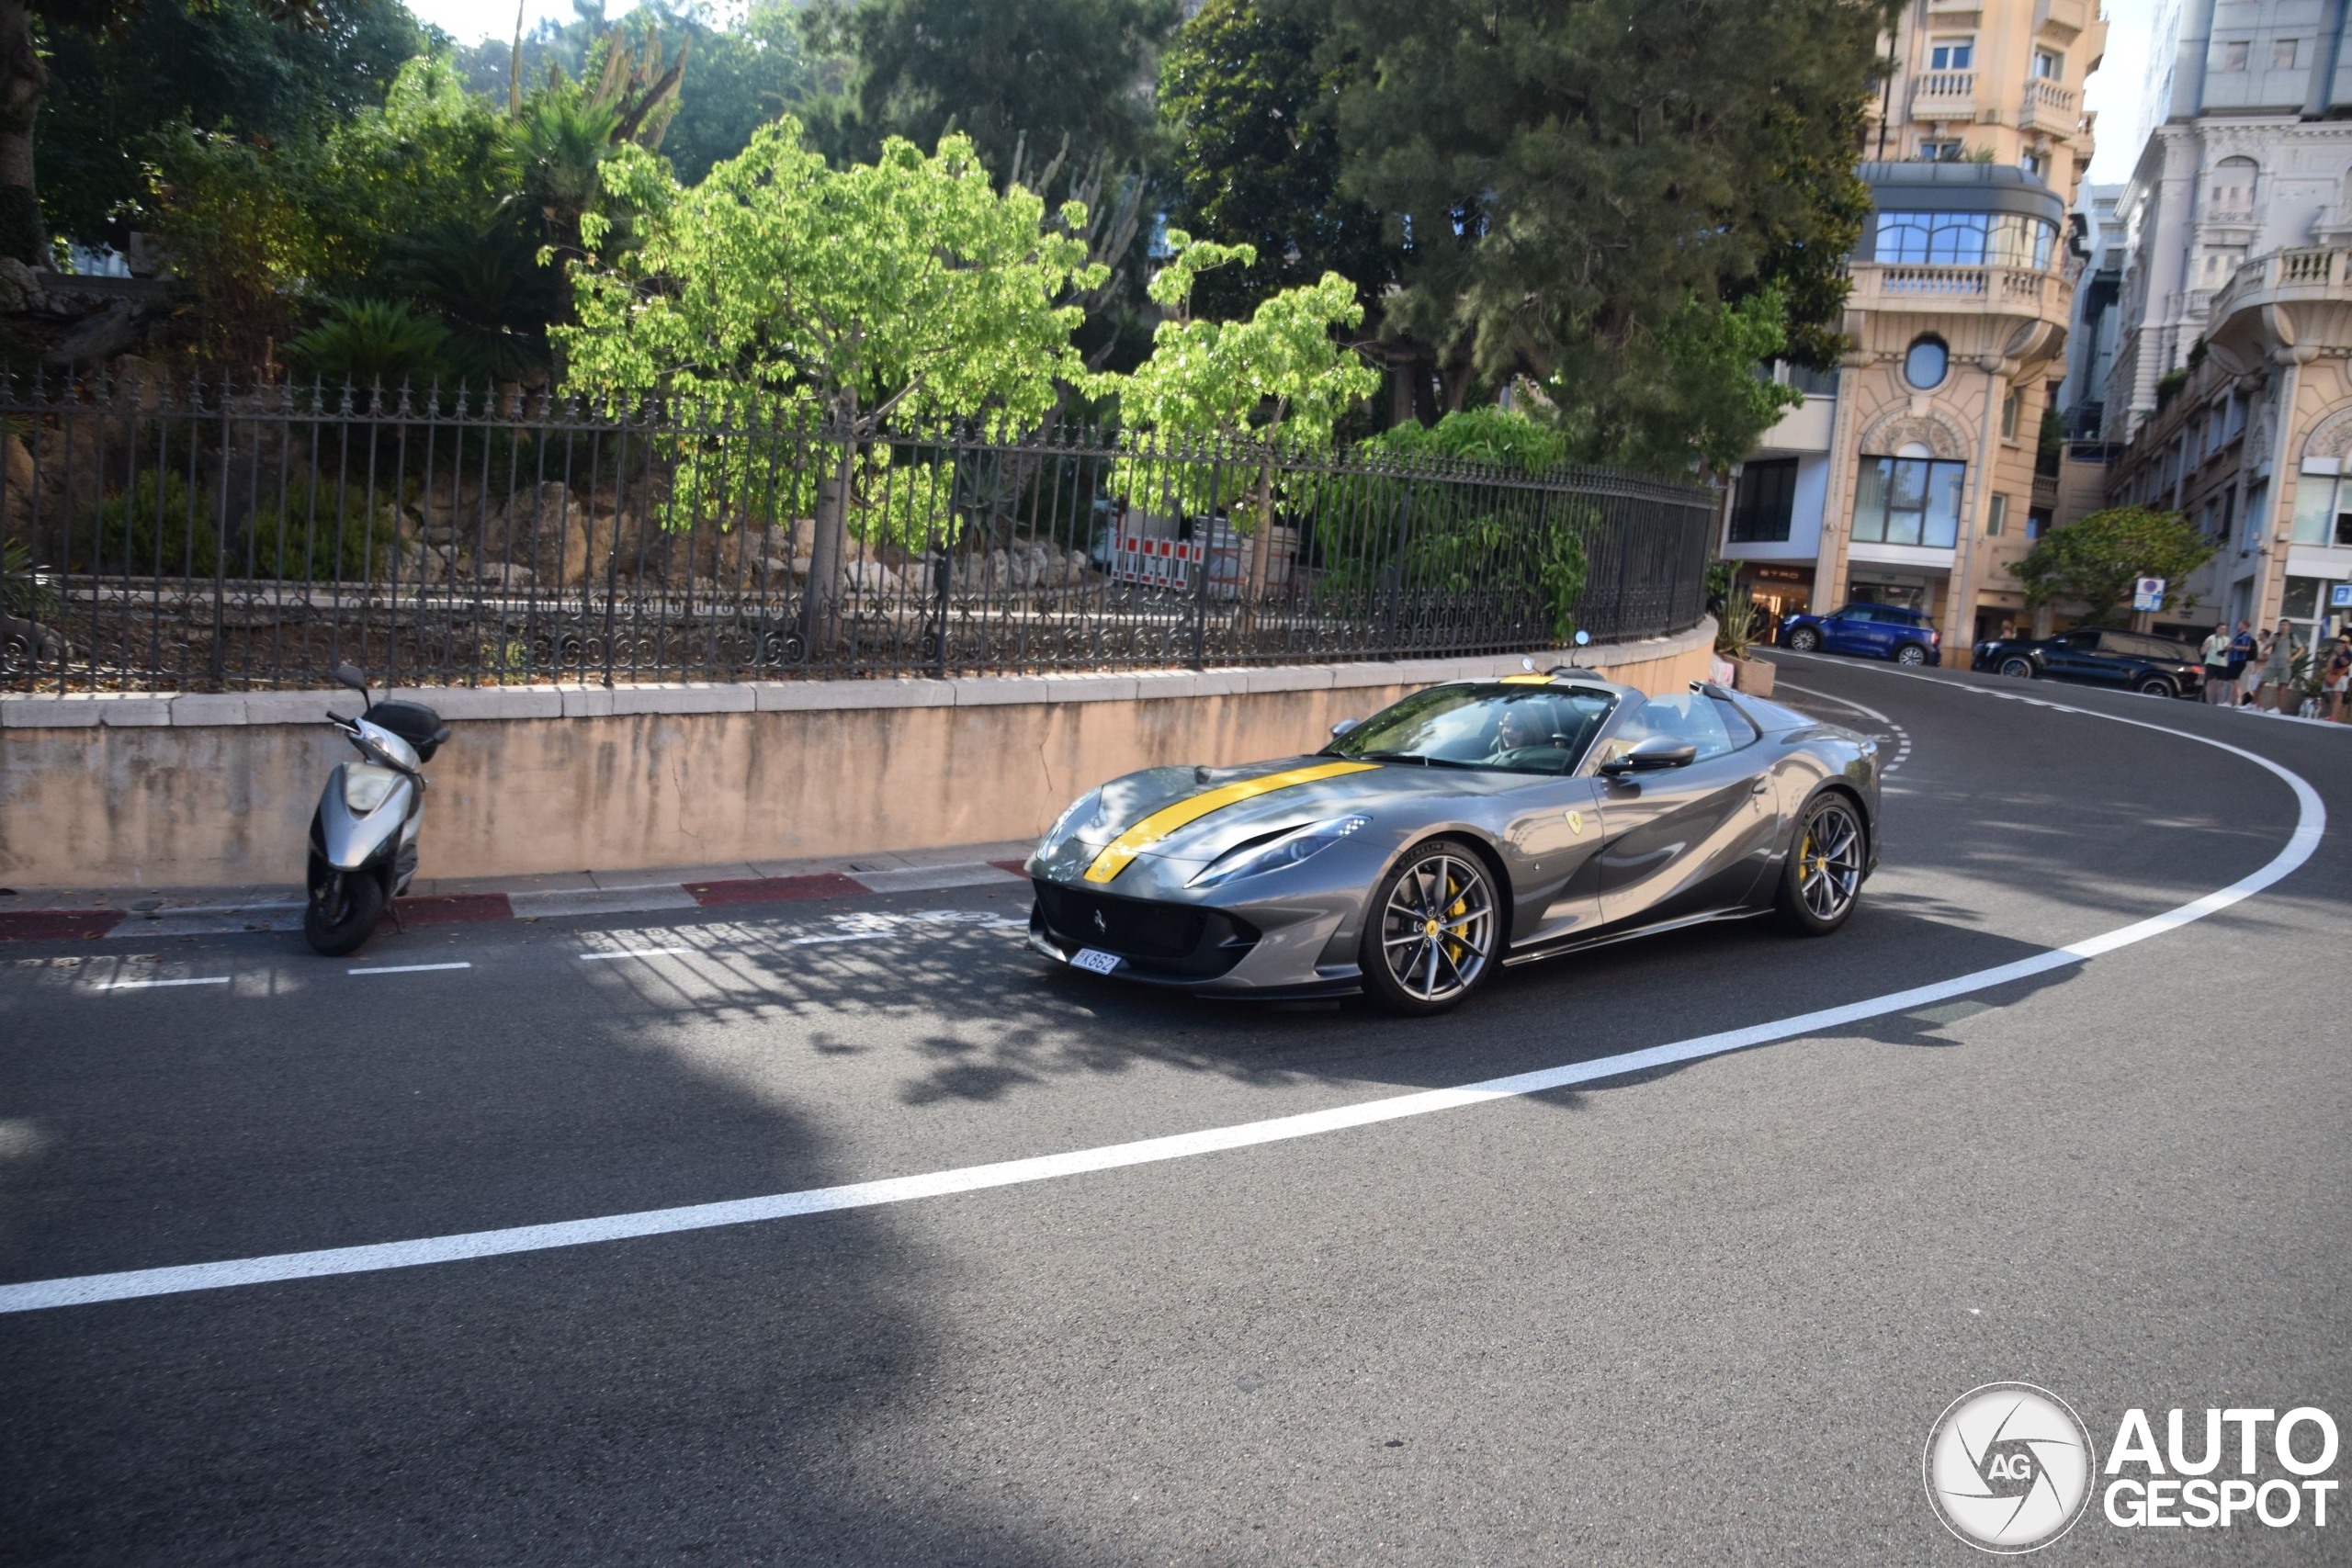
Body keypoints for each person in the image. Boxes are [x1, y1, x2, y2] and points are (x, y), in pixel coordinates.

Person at [2254, 619, 2293, 713]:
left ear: (2289, 626)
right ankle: (2253, 704)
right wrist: (2274, 641)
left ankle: (2278, 708)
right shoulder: (2275, 636)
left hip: (2284, 664)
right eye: (2281, 625)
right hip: (2273, 663)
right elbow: (2267, 646)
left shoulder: (2291, 637)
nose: (2283, 627)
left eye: (2285, 625)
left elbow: (2301, 649)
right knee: (2261, 683)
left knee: (2281, 686)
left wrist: (2293, 658)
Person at [2226, 619, 2258, 706]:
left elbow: (2246, 648)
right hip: (2233, 660)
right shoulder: (2239, 636)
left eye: (2239, 624)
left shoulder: (2246, 636)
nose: (2237, 626)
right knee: (2234, 680)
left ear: (2244, 625)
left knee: (2234, 680)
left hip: (2239, 660)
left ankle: (2233, 701)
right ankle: (2238, 701)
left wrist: (2234, 647)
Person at [2199, 622, 2233, 705]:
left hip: (2222, 663)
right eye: (2222, 629)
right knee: (2210, 682)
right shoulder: (2210, 638)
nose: (2223, 631)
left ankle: (2219, 702)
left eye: (2224, 629)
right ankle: (2209, 701)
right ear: (2217, 629)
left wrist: (2229, 649)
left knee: (2221, 684)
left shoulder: (2227, 639)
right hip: (2211, 662)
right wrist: (2207, 645)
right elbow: (2202, 652)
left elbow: (2229, 651)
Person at [2327, 637, 2352, 723]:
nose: (2339, 643)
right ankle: (2332, 715)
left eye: (2341, 642)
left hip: (2342, 676)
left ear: (2345, 644)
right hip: (2333, 674)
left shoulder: (2347, 653)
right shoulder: (2336, 652)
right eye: (2338, 642)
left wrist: (2340, 654)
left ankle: (2334, 717)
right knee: (2332, 695)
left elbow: (2345, 663)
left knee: (2338, 695)